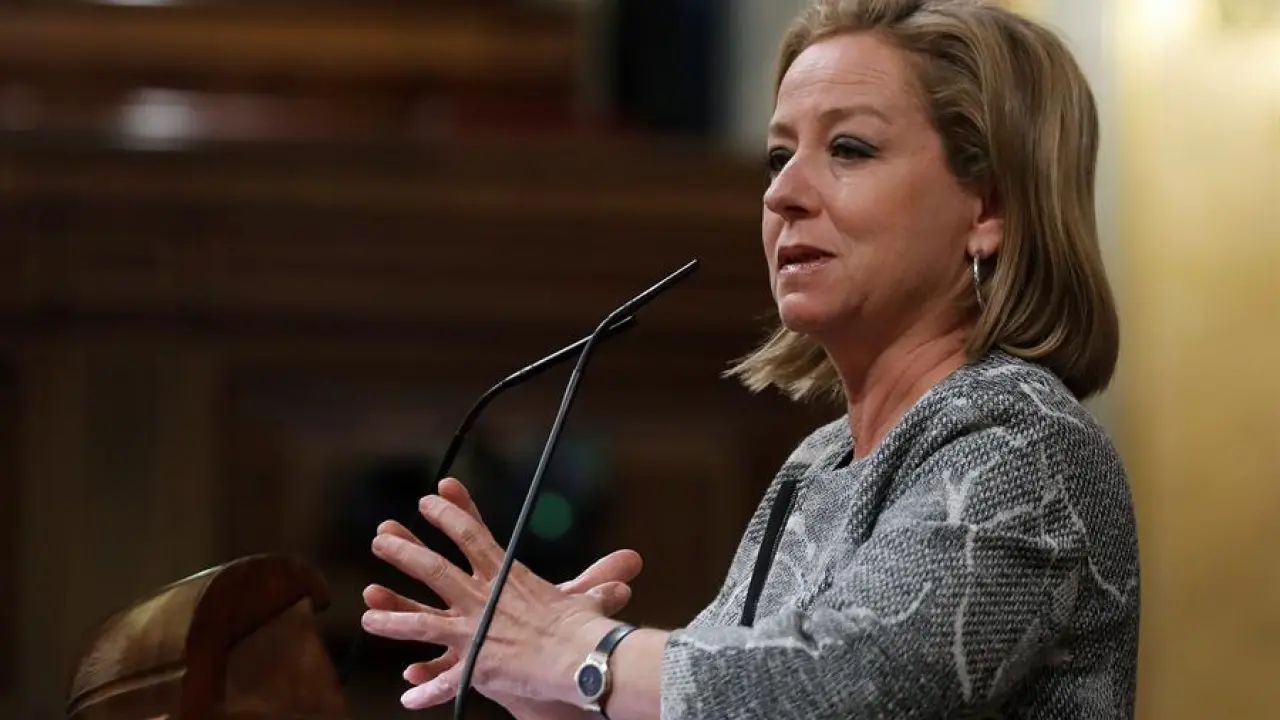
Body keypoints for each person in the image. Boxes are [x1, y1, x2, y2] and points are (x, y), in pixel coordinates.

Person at [359, 0, 1141, 717]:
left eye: (849, 148)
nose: (782, 193)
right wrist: (552, 693)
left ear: (988, 207)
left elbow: (845, 689)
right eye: (776, 156)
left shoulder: (1025, 442)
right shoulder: (817, 466)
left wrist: (583, 654)